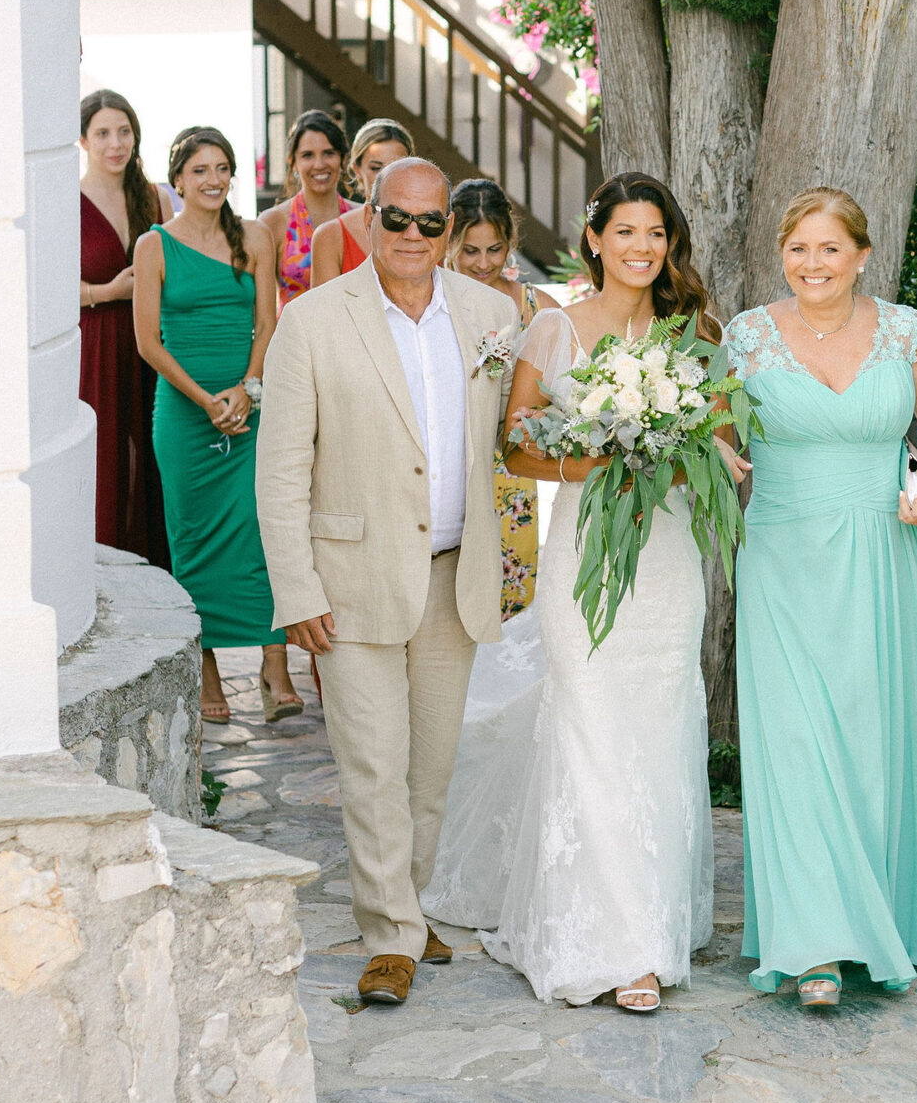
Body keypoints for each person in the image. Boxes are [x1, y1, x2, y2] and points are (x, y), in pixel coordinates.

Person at [726, 188, 917, 1009]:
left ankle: (887, 916)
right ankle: (813, 945)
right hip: (782, 557)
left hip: (880, 556)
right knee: (795, 745)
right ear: (783, 253)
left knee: (872, 737)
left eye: (829, 249)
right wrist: (723, 456)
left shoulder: (904, 330)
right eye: (799, 249)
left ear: (861, 255)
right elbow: (707, 426)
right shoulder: (744, 336)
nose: (813, 265)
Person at [255, 157, 520, 1008]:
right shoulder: (312, 321)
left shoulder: (490, 314)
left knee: (430, 771)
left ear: (451, 227)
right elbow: (281, 469)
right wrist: (296, 589)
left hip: (455, 577)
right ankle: (390, 937)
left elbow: (518, 436)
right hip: (352, 578)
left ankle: (406, 903)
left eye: (429, 222)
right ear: (367, 220)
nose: (412, 236)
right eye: (395, 219)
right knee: (372, 767)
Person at [477, 174, 717, 1014]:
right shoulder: (554, 328)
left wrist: (683, 447)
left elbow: (718, 438)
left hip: (665, 561)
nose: (642, 248)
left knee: (657, 730)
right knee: (591, 730)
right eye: (626, 232)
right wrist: (605, 460)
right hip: (584, 554)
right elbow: (516, 447)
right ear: (593, 240)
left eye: (655, 234)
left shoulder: (692, 333)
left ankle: (653, 920)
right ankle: (614, 944)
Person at [134, 128, 299, 728]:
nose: (212, 180)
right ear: (177, 179)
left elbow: (267, 323)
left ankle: (273, 664)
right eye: (199, 170)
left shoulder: (255, 237)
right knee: (193, 536)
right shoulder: (152, 246)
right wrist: (206, 399)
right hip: (183, 415)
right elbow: (147, 342)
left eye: (222, 168)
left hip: (250, 406)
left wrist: (247, 389)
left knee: (261, 528)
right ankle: (206, 670)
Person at [78, 90, 170, 566]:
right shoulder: (65, 200)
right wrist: (106, 292)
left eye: (124, 132)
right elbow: (45, 289)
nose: (115, 144)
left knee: (152, 457)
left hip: (150, 340)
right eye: (103, 133)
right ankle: (105, 567)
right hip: (96, 341)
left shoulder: (152, 197)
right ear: (83, 140)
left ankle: (153, 568)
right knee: (106, 458)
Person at [446, 178, 539, 618]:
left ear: (511, 243)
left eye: (494, 249)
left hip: (511, 471)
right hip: (448, 462)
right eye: (470, 250)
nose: (484, 263)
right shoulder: (431, 302)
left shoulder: (536, 307)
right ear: (448, 239)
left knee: (511, 597)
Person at [260, 108, 353, 307]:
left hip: (352, 337)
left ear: (343, 159)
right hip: (293, 336)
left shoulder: (361, 218)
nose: (319, 164)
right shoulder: (273, 223)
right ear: (293, 163)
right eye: (307, 155)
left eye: (329, 153)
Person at [309, 118, 415, 288]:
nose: (385, 177)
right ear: (357, 169)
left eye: (396, 167)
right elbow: (324, 312)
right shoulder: (330, 236)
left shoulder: (429, 228)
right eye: (375, 168)